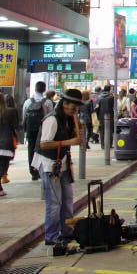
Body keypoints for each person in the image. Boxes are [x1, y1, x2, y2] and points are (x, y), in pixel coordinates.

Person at [33, 89, 83, 245]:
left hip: (61, 163)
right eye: (73, 107)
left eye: (76, 108)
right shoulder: (52, 119)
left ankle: (67, 231)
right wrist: (68, 142)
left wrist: (76, 130)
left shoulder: (67, 119)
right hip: (49, 164)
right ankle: (52, 236)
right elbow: (44, 144)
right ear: (65, 104)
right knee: (55, 202)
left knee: (67, 199)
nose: (75, 110)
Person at [22, 81, 53, 180]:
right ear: (44, 89)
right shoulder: (47, 102)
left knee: (31, 150)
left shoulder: (27, 102)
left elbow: (24, 117)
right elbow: (51, 117)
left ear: (35, 89)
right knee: (43, 149)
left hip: (31, 130)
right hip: (43, 130)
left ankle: (33, 172)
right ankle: (42, 170)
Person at [0, 93, 19, 197]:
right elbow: (16, 126)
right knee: (3, 167)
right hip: (5, 144)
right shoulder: (10, 111)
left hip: (4, 143)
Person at [96, 85, 115, 149]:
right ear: (109, 89)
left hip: (101, 116)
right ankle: (109, 144)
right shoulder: (111, 97)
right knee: (109, 130)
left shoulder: (99, 97)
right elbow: (114, 107)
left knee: (102, 130)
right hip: (110, 115)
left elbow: (97, 108)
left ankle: (103, 145)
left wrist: (98, 116)